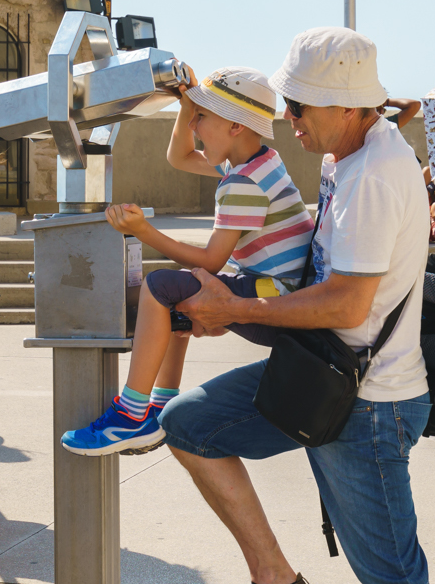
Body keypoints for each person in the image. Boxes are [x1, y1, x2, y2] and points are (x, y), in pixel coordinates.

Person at [157, 27, 435, 584]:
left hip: (366, 405)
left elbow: (348, 300)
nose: (287, 120)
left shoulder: (372, 177)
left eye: (296, 107)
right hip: (321, 378)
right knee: (191, 423)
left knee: (397, 579)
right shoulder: (354, 149)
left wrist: (234, 309)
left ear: (341, 105)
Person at [59, 68, 315, 457]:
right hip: (279, 290)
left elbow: (212, 261)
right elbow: (178, 157)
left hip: (274, 302)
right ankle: (160, 407)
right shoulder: (257, 162)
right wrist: (187, 107)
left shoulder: (243, 183)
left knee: (161, 286)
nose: (194, 127)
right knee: (177, 296)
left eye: (203, 118)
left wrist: (145, 232)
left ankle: (129, 417)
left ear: (235, 125)